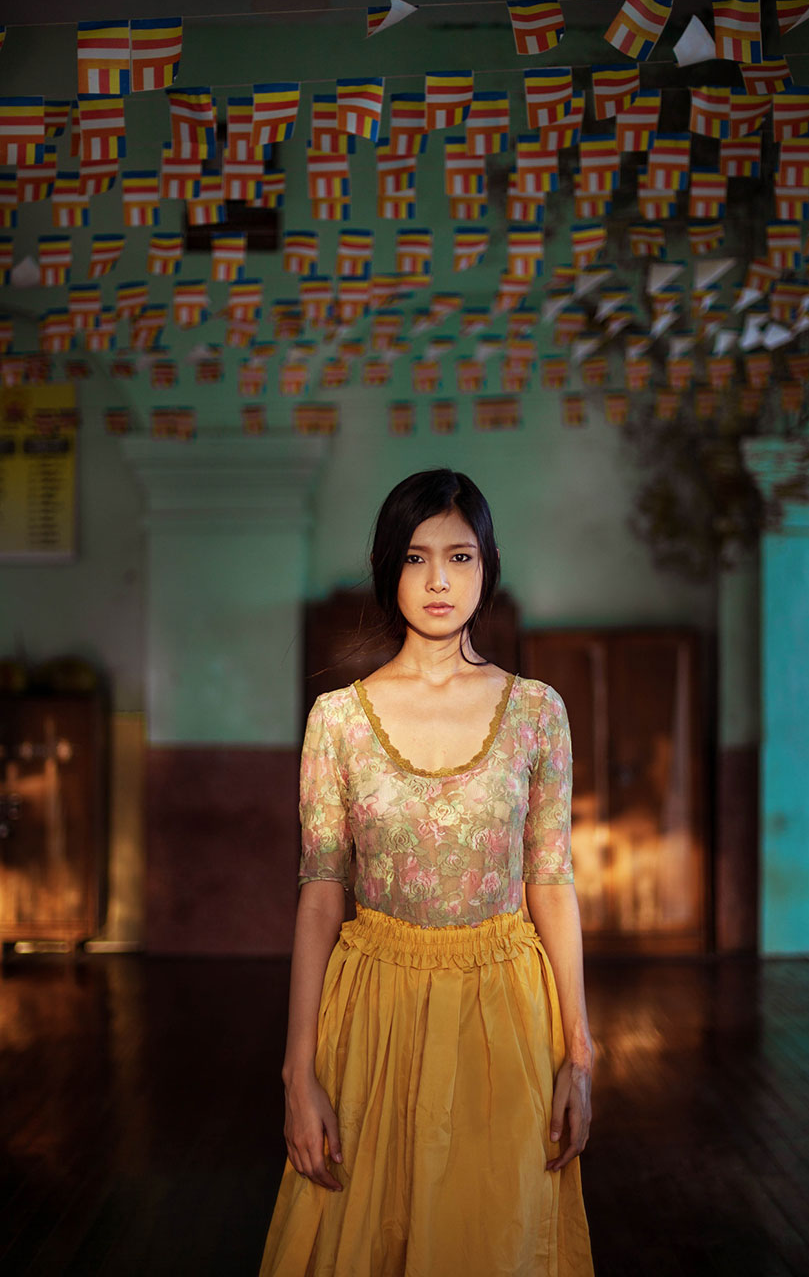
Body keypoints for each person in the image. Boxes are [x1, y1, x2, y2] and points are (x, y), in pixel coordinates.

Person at [259, 468, 596, 1276]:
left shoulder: (537, 712)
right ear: (387, 568)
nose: (440, 580)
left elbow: (551, 880)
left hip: (506, 1015)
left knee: (498, 1238)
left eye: (461, 556)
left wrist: (579, 1055)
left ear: (489, 566)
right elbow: (319, 898)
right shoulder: (337, 719)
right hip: (374, 1011)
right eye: (416, 558)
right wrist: (296, 1072)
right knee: (365, 1238)